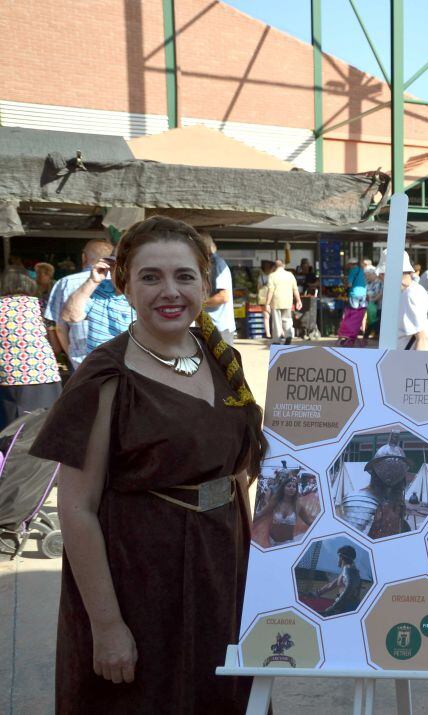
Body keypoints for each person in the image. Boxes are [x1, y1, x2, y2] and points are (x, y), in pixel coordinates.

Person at [29, 216, 267, 713]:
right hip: (139, 580)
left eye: (184, 276)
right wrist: (107, 625)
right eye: (150, 277)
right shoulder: (105, 375)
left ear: (205, 283)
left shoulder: (223, 360)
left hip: (223, 570)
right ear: (125, 287)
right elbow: (78, 508)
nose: (170, 291)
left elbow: (244, 469)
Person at [1, 270, 63, 429]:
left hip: (5, 378)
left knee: (8, 431)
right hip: (43, 375)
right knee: (43, 429)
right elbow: (55, 346)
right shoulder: (42, 306)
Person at [44, 240, 119, 369]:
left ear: (84, 257)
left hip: (83, 363)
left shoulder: (66, 283)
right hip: (122, 362)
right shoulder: (125, 284)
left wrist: (71, 356)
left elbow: (59, 328)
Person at [60, 246, 135, 354]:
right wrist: (92, 281)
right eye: (113, 265)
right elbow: (70, 316)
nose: (118, 272)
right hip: (100, 365)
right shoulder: (98, 288)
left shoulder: (147, 294)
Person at [386, 250, 428, 350]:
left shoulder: (410, 294)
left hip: (409, 362)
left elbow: (422, 338)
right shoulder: (414, 291)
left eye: (382, 274)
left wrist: (416, 365)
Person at [252, 470, 318, 547]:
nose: (291, 488)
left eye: (294, 487)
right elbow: (260, 514)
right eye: (289, 486)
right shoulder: (275, 502)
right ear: (283, 488)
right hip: (270, 541)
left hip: (287, 544)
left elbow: (309, 522)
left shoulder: (298, 506)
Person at [202, 234, 236, 344]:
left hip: (219, 328)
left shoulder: (217, 264)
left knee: (221, 361)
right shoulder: (209, 264)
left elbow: (223, 297)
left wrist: (199, 303)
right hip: (212, 326)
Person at [315, 546, 367, 616]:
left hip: (349, 609)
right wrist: (317, 593)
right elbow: (331, 585)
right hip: (344, 607)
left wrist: (333, 607)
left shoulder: (350, 571)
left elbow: (348, 590)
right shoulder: (347, 571)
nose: (337, 560)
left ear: (341, 557)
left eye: (338, 557)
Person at [265, 259, 302, 345]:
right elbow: (295, 289)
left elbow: (270, 290)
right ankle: (288, 335)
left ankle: (277, 340)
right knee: (287, 319)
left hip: (276, 301)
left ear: (274, 266)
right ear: (284, 265)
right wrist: (298, 300)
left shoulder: (272, 276)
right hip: (287, 301)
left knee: (277, 321)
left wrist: (267, 303)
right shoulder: (290, 275)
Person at [339, 259, 367, 347]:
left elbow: (350, 284)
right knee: (360, 314)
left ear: (350, 264)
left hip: (354, 294)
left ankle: (351, 337)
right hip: (363, 294)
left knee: (353, 314)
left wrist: (344, 285)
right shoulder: (362, 270)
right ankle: (360, 333)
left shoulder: (352, 271)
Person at [363, 266, 382, 342]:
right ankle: (373, 334)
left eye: (368, 275)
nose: (367, 277)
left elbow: (379, 294)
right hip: (371, 305)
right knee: (373, 320)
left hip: (377, 305)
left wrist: (373, 299)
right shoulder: (368, 283)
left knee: (374, 321)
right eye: (366, 275)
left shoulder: (379, 283)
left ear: (373, 274)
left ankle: (367, 335)